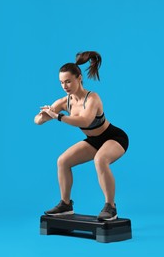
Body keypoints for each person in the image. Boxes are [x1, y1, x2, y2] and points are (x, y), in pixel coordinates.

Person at [34, 51, 129, 221]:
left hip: (114, 138)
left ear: (79, 78)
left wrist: (59, 116)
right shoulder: (64, 102)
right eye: (62, 82)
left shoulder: (92, 98)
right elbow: (37, 121)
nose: (65, 86)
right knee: (63, 161)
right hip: (94, 141)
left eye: (68, 81)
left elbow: (85, 121)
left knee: (100, 160)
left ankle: (110, 206)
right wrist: (45, 114)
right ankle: (65, 204)